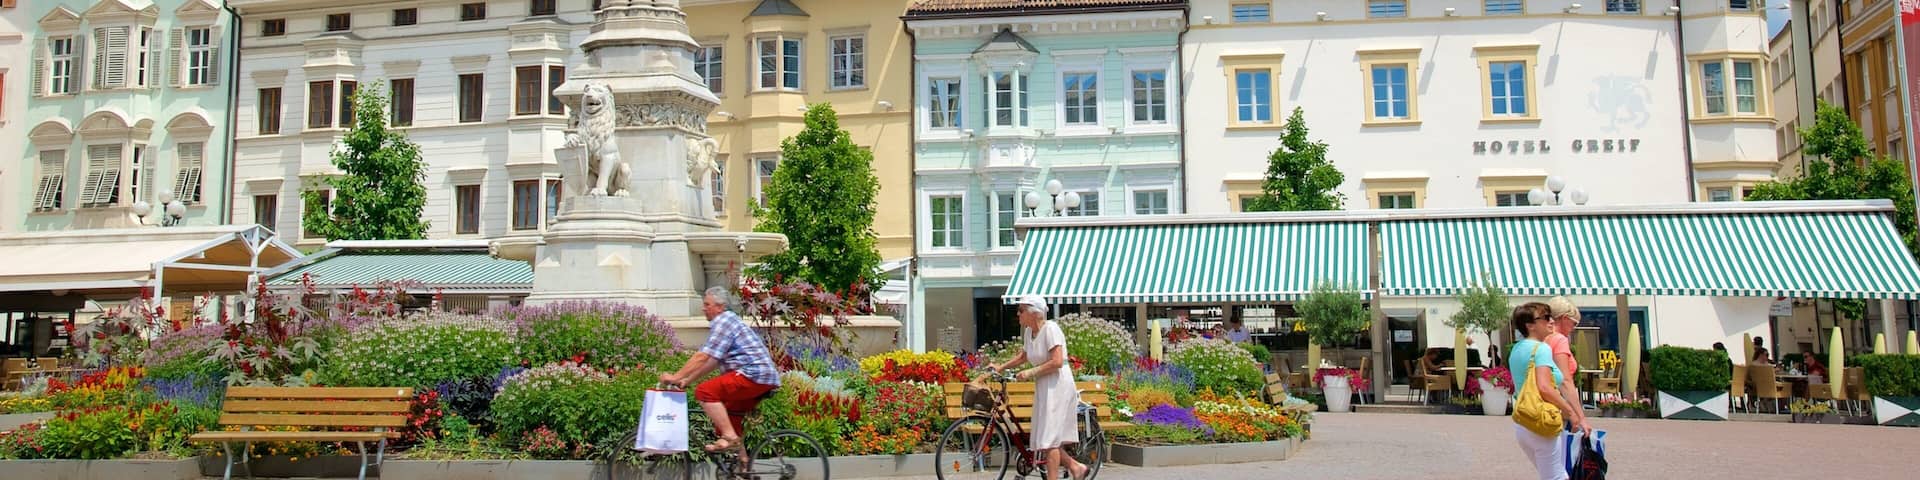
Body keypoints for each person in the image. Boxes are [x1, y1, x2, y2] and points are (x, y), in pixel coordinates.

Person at [660, 287, 781, 455]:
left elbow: (702, 356)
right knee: (730, 415)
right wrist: (686, 380)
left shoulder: (724, 322)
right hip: (761, 377)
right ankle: (743, 465)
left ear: (720, 306)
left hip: (753, 374)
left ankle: (730, 437)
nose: (703, 308)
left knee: (704, 392)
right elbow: (712, 361)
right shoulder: (729, 321)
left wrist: (675, 377)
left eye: (707, 304)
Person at [990, 296, 1090, 480]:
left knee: (1050, 439)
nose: (1017, 314)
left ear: (1034, 312)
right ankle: (1076, 468)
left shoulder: (1051, 329)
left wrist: (1030, 372)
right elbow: (1023, 356)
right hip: (1045, 385)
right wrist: (1001, 367)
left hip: (1058, 384)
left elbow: (1058, 361)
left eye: (1021, 310)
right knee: (1045, 438)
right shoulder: (1029, 332)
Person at [1510, 302, 1583, 480]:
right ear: (1530, 325)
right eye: (1545, 318)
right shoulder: (1541, 349)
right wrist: (1570, 411)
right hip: (1542, 421)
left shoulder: (1516, 349)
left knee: (1557, 474)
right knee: (1556, 477)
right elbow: (1544, 387)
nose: (1551, 321)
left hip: (1523, 421)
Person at [1544, 296, 1593, 431]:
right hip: (1560, 405)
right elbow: (1565, 380)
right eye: (1574, 323)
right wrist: (1580, 416)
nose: (1573, 328)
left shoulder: (1541, 338)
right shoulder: (1559, 340)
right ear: (1564, 318)